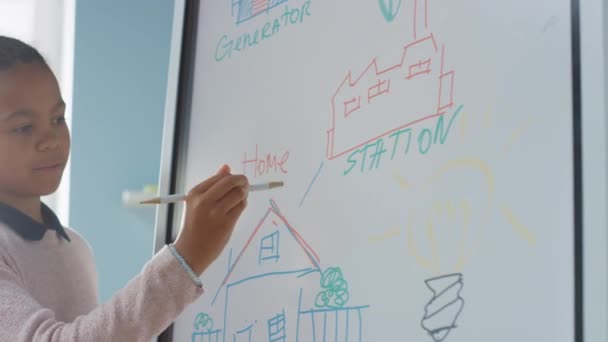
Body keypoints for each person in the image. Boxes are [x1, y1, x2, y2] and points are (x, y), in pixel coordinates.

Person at [0, 35, 249, 341]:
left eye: (57, 118)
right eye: (24, 127)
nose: (51, 139)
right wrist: (187, 258)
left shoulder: (74, 247)